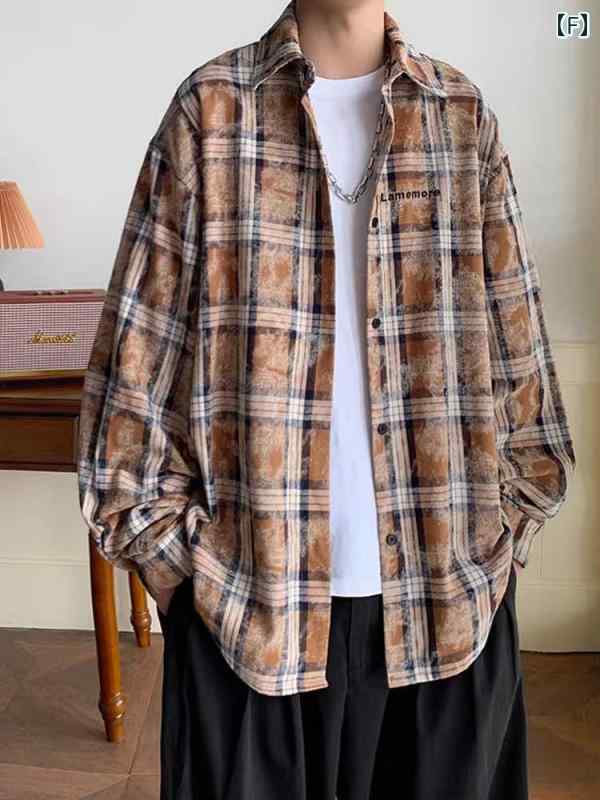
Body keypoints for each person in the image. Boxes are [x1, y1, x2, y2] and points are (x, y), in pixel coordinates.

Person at [77, 1, 576, 798]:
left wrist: (496, 547)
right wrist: (182, 576)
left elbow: (525, 375)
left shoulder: (460, 117)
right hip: (247, 617)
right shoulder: (210, 113)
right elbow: (132, 380)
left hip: (447, 616)